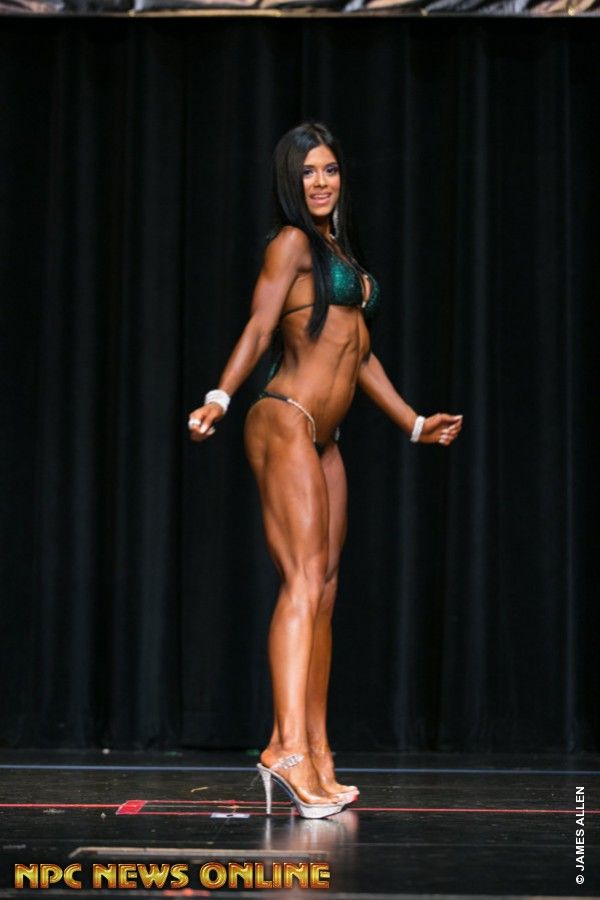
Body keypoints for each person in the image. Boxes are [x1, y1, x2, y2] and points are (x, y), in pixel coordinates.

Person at [188, 122, 463, 819]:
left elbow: (358, 353)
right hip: (284, 418)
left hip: (325, 438)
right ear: (290, 179)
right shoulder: (290, 243)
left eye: (331, 169)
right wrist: (220, 395)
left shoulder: (339, 250)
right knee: (303, 581)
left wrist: (412, 423)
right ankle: (284, 749)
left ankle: (317, 749)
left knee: (327, 592)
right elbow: (259, 326)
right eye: (308, 171)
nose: (321, 182)